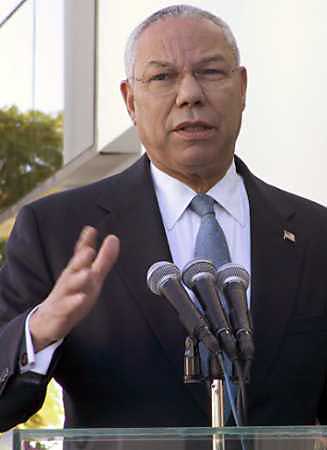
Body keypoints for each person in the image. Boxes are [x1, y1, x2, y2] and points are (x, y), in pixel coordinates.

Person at [1, 4, 327, 432]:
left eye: (211, 72)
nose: (189, 93)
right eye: (162, 77)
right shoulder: (58, 229)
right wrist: (40, 329)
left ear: (242, 87)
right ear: (130, 100)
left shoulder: (315, 234)